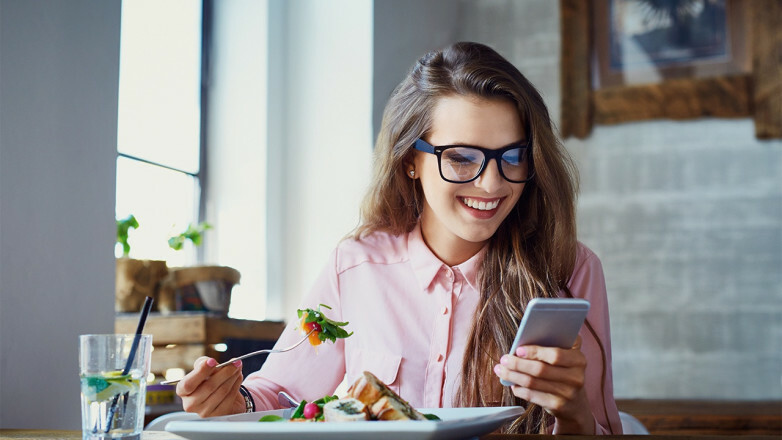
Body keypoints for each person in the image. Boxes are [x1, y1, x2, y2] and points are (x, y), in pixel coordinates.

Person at [175, 41, 622, 434]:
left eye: (513, 156)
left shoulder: (571, 269)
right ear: (411, 159)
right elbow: (284, 396)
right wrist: (235, 404)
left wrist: (575, 412)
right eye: (462, 158)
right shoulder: (354, 266)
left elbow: (600, 429)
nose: (491, 184)